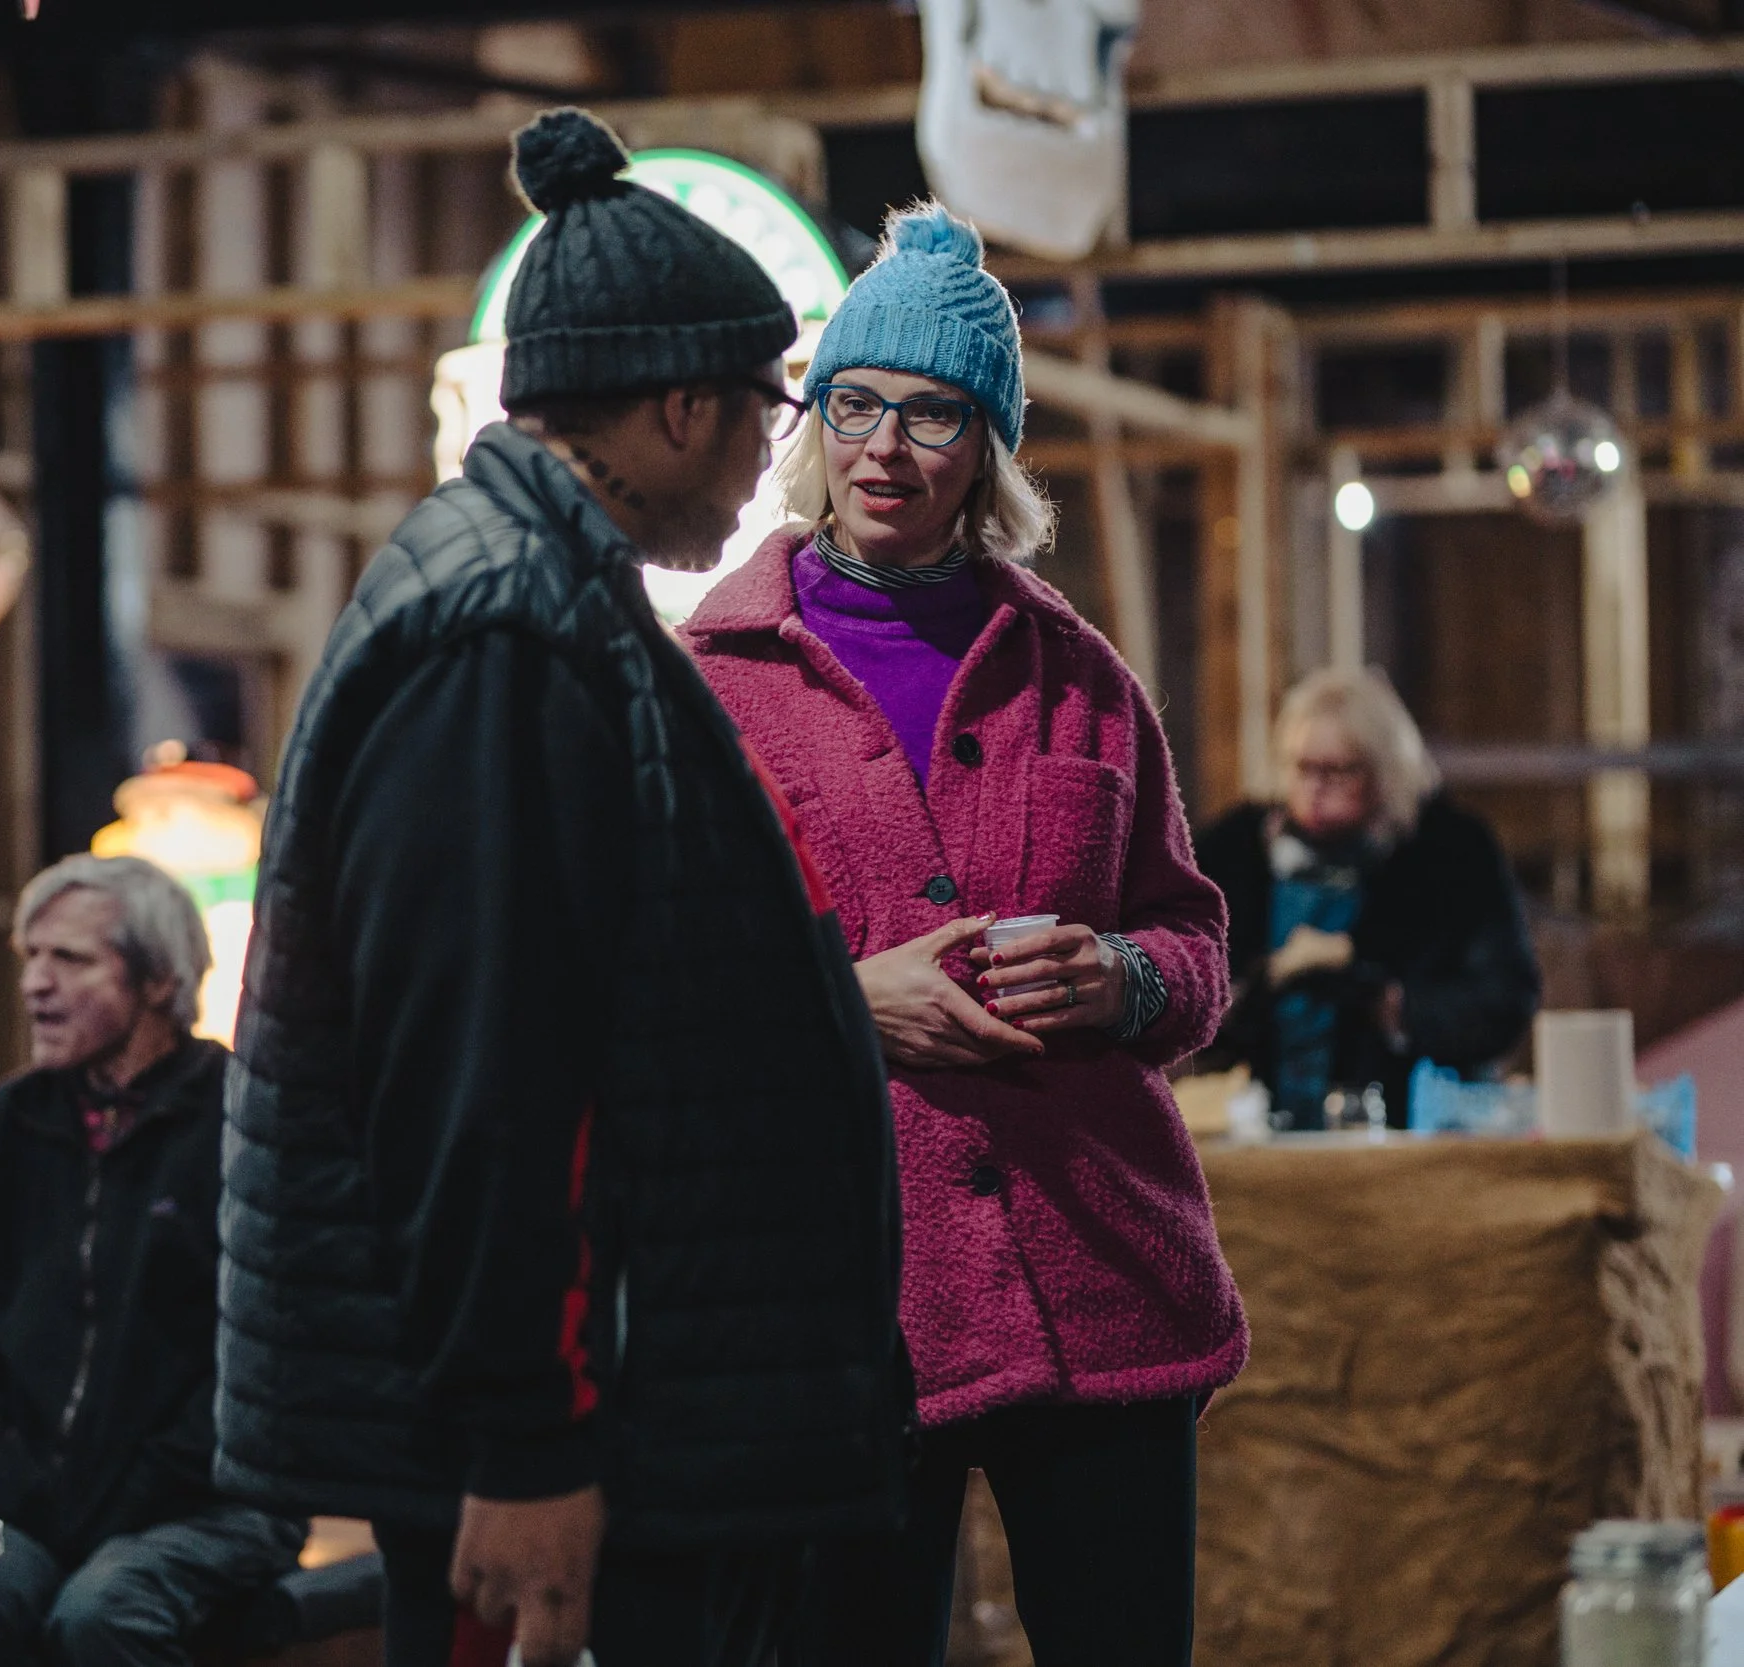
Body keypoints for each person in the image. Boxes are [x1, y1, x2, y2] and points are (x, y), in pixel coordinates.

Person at [217, 109, 904, 1667]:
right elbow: (482, 1075)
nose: (771, 458)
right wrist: (529, 1442)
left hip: (621, 1419)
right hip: (548, 1448)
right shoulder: (505, 633)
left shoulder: (546, 596)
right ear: (674, 407)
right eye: (761, 411)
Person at [680, 203, 1245, 1667]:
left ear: (984, 445)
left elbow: (1194, 941)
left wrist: (1124, 980)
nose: (883, 446)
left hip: (1101, 1278)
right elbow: (643, 983)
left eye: (931, 413)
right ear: (814, 422)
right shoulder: (710, 683)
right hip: (844, 1300)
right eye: (855, 403)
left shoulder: (1081, 675)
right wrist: (843, 998)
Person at [0, 855, 306, 1667]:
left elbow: (272, 1349)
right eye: (30, 957)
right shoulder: (5, 1125)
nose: (35, 983)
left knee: (103, 1611)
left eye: (69, 959)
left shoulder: (242, 1120)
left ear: (157, 978)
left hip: (207, 1502)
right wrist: (1, 1459)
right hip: (29, 1498)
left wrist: (131, 1489)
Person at [1195, 666, 1540, 1129]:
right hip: (1255, 1123)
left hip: (1407, 1126)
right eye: (1303, 767)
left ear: (1385, 772)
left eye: (1338, 771)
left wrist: (1391, 1001)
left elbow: (1504, 1000)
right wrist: (1252, 991)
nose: (1315, 787)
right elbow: (1185, 997)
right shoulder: (1232, 850)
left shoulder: (1449, 851)